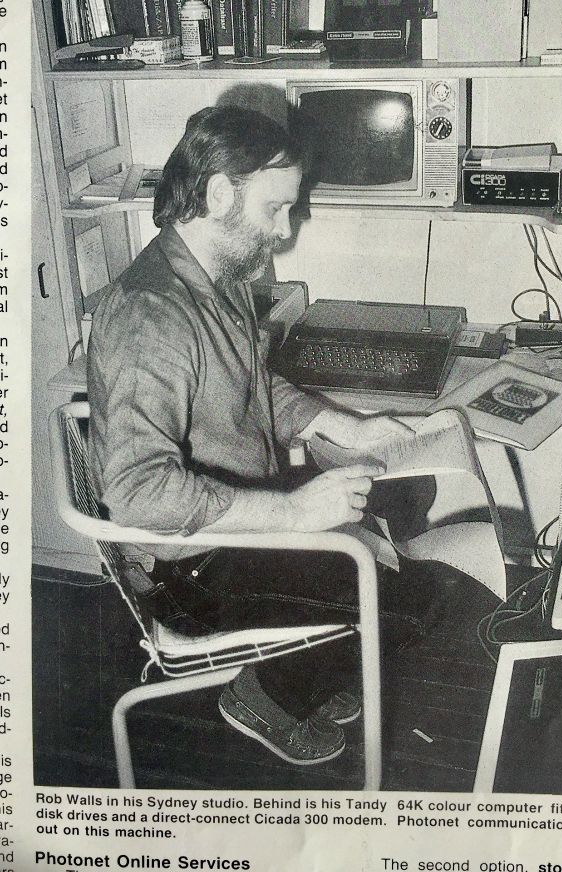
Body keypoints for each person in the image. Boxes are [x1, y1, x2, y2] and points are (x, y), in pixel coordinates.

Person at [87, 104, 445, 767]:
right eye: (275, 209)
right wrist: (295, 511)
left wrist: (344, 423)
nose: (284, 230)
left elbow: (252, 386)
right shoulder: (153, 318)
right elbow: (138, 493)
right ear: (219, 192)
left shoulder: (206, 275)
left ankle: (316, 656)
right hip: (194, 569)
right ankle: (268, 694)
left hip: (239, 521)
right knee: (415, 603)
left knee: (405, 482)